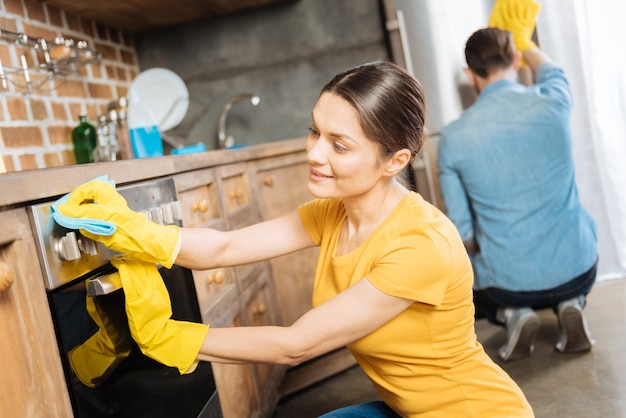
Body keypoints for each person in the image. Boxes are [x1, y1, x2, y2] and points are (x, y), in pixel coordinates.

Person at [58, 60, 534, 416]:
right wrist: (136, 231)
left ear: (395, 160)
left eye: (339, 144)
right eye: (315, 131)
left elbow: (295, 344)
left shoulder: (420, 244)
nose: (315, 153)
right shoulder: (332, 213)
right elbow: (226, 248)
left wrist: (167, 337)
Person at [437, 0, 598, 363]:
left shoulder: (453, 138)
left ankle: (515, 313)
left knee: (482, 261)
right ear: (516, 63)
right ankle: (571, 301)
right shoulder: (554, 101)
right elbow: (555, 72)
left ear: (469, 72)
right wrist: (523, 40)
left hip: (507, 283)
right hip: (578, 268)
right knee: (576, 229)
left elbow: (463, 230)